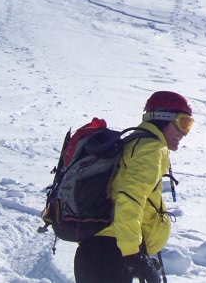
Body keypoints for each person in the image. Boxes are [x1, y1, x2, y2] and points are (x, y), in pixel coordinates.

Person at [73, 91, 194, 283]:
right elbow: (130, 199)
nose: (184, 132)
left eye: (189, 125)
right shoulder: (151, 149)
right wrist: (132, 255)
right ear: (163, 119)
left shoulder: (135, 142)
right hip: (111, 255)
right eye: (183, 123)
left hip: (101, 252)